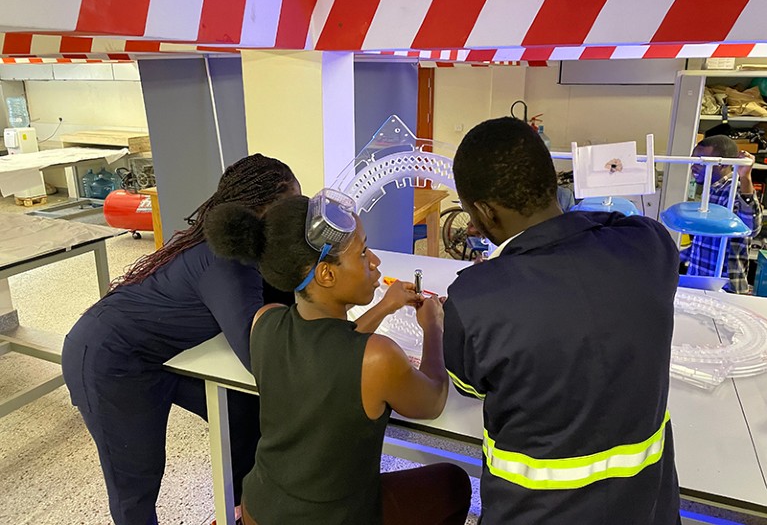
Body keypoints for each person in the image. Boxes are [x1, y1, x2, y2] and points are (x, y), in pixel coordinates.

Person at [443, 117, 681, 524]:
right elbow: (608, 231)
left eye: (472, 213)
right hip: (645, 509)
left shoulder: (474, 299)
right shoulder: (650, 245)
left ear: (484, 211)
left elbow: (468, 386)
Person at [204, 189, 471, 525]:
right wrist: (434, 325)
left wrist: (384, 307)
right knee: (454, 483)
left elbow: (327, 347)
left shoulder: (265, 321)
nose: (374, 261)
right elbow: (432, 399)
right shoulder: (377, 357)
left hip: (260, 507)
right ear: (326, 275)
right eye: (362, 254)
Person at [61, 154, 300, 525]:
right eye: (286, 209)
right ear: (255, 211)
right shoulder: (227, 261)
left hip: (162, 355)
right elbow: (259, 353)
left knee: (240, 410)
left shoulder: (241, 250)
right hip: (109, 359)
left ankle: (240, 510)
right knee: (136, 483)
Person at [680, 135, 762, 293]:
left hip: (724, 288)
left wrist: (746, 178)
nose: (694, 166)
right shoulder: (709, 192)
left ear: (724, 163)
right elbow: (704, 240)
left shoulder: (734, 189)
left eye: (701, 162)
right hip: (701, 284)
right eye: (694, 160)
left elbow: (751, 227)